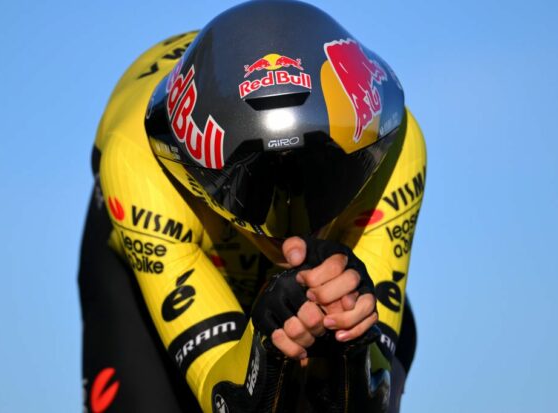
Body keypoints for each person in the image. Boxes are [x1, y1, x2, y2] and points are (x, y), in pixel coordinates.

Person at [78, 1, 426, 412]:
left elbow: (372, 393)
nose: (292, 232)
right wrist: (262, 353)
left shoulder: (396, 147)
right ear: (195, 168)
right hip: (152, 262)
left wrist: (351, 347)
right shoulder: (137, 163)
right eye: (254, 189)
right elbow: (220, 390)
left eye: (320, 176)